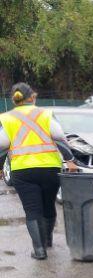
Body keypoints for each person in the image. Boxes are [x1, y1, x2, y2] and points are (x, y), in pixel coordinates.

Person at [0, 83, 72, 260]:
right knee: (48, 206)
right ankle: (47, 241)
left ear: (14, 99)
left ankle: (39, 250)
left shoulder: (7, 118)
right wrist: (70, 159)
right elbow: (60, 136)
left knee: (32, 210)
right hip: (50, 169)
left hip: (23, 171)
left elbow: (2, 144)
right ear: (32, 97)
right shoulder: (45, 114)